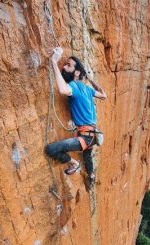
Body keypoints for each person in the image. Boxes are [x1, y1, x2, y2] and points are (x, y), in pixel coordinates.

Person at [45, 47, 107, 183]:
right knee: (87, 155)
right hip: (91, 134)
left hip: (85, 137)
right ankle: (91, 175)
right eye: (64, 64)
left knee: (51, 149)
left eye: (68, 65)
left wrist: (54, 62)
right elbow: (103, 95)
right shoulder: (87, 89)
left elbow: (62, 89)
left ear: (77, 72)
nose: (64, 67)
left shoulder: (74, 86)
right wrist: (91, 80)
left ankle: (74, 163)